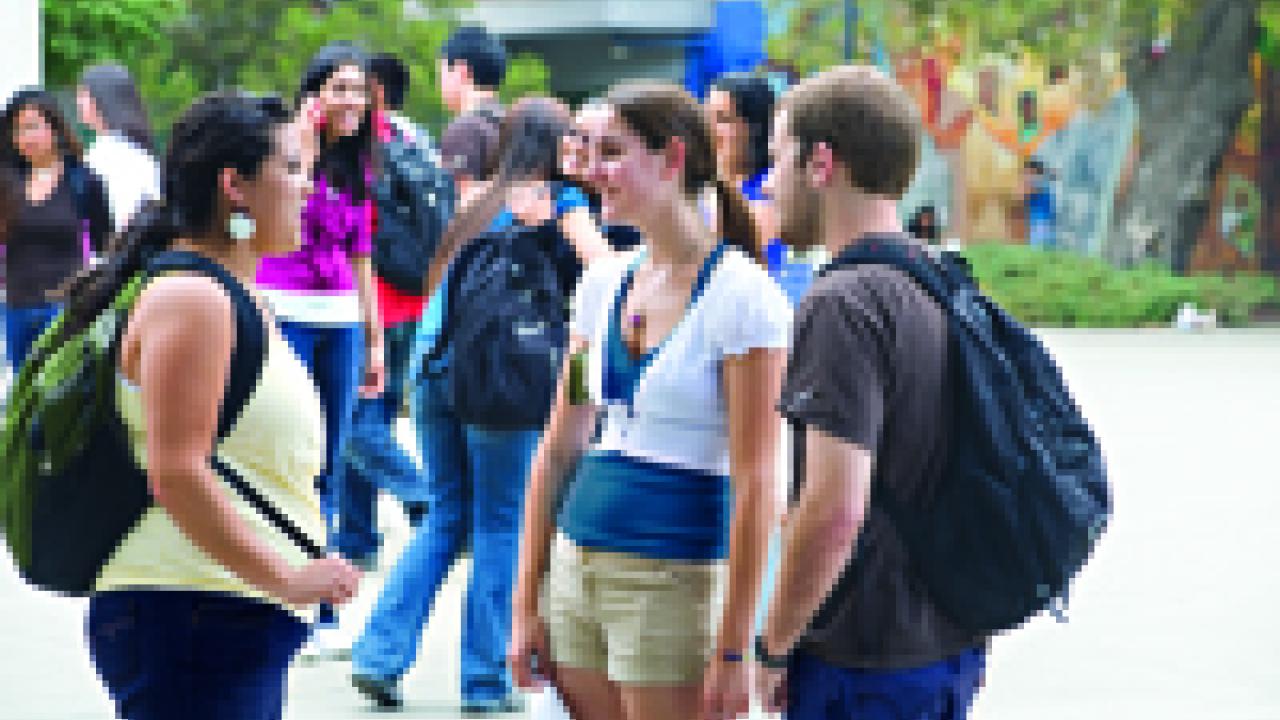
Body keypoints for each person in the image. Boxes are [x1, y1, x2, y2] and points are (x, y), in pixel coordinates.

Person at [507, 82, 790, 720]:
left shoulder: (744, 299)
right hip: (576, 574)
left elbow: (757, 484)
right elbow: (558, 449)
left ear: (672, 159)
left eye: (611, 152)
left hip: (675, 581)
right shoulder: (602, 284)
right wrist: (527, 601)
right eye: (587, 150)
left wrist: (734, 651)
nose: (590, 170)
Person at [74, 90, 361, 719]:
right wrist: (285, 578)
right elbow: (177, 469)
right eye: (291, 168)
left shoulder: (233, 293)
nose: (307, 188)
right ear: (235, 185)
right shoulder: (194, 299)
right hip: (192, 611)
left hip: (220, 611)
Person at [350, 96, 609, 715]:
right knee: (501, 522)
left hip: (435, 375)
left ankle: (378, 655)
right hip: (498, 383)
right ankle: (487, 681)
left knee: (445, 515)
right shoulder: (558, 201)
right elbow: (606, 269)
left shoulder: (476, 202)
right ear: (556, 147)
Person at [756, 65, 987, 719]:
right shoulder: (943, 281)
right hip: (943, 642)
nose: (769, 183)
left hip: (863, 660)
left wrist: (774, 644)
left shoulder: (843, 302)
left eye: (777, 159)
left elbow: (834, 511)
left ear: (821, 162)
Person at [255, 43, 385, 652]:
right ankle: (280, 588)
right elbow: (286, 204)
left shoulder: (362, 165)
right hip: (285, 313)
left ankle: (320, 607)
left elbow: (363, 258)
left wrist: (375, 338)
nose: (351, 100)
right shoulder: (282, 148)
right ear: (313, 95)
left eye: (358, 89)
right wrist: (304, 143)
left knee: (330, 462)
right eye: (338, 87)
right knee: (292, 458)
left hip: (342, 322)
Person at [332, 51, 440, 565]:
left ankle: (423, 496)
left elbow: (358, 237)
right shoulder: (416, 138)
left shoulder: (363, 150)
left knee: (353, 426)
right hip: (413, 301)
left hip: (373, 303)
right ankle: (358, 539)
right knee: (372, 422)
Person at [0, 88, 110, 372]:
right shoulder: (7, 185)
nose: (25, 138)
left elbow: (106, 247)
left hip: (65, 311)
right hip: (16, 309)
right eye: (17, 130)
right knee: (22, 399)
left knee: (60, 397)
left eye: (32, 127)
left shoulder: (83, 181)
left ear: (55, 128)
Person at [77, 64, 161, 233]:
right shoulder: (131, 150)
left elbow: (120, 218)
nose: (78, 101)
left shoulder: (112, 154)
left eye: (83, 95)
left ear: (102, 98)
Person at [439, 25, 507, 121]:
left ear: (461, 70)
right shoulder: (515, 126)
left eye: (442, 73)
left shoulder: (464, 131)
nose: (440, 83)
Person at [1023, 158, 1057, 249]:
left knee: (1039, 243)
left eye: (1028, 172)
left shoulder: (1038, 183)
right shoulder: (1039, 182)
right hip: (1036, 217)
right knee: (1037, 242)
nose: (1026, 175)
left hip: (1041, 218)